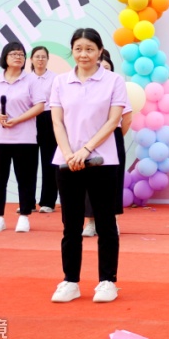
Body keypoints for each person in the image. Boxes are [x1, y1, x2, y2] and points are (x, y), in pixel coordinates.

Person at [49, 28, 128, 303]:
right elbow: (57, 121)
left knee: (105, 222)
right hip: (67, 162)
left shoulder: (114, 81)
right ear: (72, 50)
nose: (84, 54)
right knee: (70, 224)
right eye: (79, 49)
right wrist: (69, 153)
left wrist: (85, 150)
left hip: (102, 161)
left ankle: (107, 281)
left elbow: (113, 121)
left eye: (90, 49)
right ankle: (70, 281)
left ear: (100, 51)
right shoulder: (60, 81)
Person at [0, 42, 44, 233]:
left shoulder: (31, 80)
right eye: (14, 54)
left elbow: (39, 106)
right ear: (5, 57)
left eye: (21, 54)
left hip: (24, 138)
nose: (18, 57)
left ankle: (24, 216)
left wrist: (18, 119)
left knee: (25, 178)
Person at [82, 52, 132, 237]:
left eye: (107, 68)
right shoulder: (85, 88)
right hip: (87, 138)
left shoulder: (117, 86)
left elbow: (127, 118)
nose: (102, 71)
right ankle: (90, 222)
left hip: (112, 137)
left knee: (113, 181)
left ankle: (113, 220)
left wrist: (112, 136)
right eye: (100, 67)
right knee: (88, 181)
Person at [29, 46, 58, 213]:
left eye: (43, 57)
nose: (40, 59)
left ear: (47, 59)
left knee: (49, 161)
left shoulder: (55, 78)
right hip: (29, 119)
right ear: (31, 59)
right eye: (37, 56)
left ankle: (48, 202)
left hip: (48, 118)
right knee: (28, 162)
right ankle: (28, 201)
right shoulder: (25, 79)